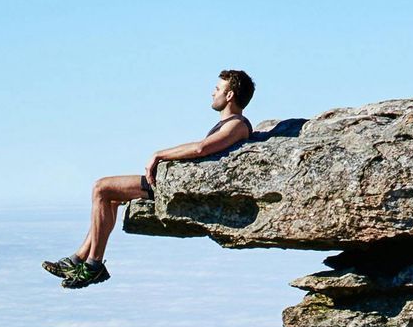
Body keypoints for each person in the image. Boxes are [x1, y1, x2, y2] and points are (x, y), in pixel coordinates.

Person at [46, 69, 257, 290]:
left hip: (174, 186)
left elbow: (200, 148)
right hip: (171, 182)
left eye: (217, 89)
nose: (213, 93)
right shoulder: (230, 124)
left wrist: (159, 154)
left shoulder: (237, 125)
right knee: (111, 198)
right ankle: (79, 259)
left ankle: (93, 264)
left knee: (101, 188)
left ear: (230, 95)